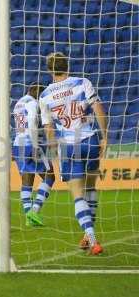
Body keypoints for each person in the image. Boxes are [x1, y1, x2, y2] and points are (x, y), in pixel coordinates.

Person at [39, 52, 107, 255]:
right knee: (90, 188)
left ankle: (93, 240)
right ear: (66, 65)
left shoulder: (45, 96)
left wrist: (53, 150)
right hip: (90, 140)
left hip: (69, 147)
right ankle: (88, 236)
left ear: (50, 70)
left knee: (78, 195)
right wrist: (104, 136)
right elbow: (98, 109)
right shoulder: (82, 82)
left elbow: (50, 129)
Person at [12, 83, 55, 227]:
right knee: (50, 176)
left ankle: (28, 217)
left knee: (26, 181)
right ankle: (34, 211)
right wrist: (36, 145)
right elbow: (31, 122)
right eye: (41, 94)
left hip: (18, 145)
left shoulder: (18, 103)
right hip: (31, 144)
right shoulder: (32, 103)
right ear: (36, 92)